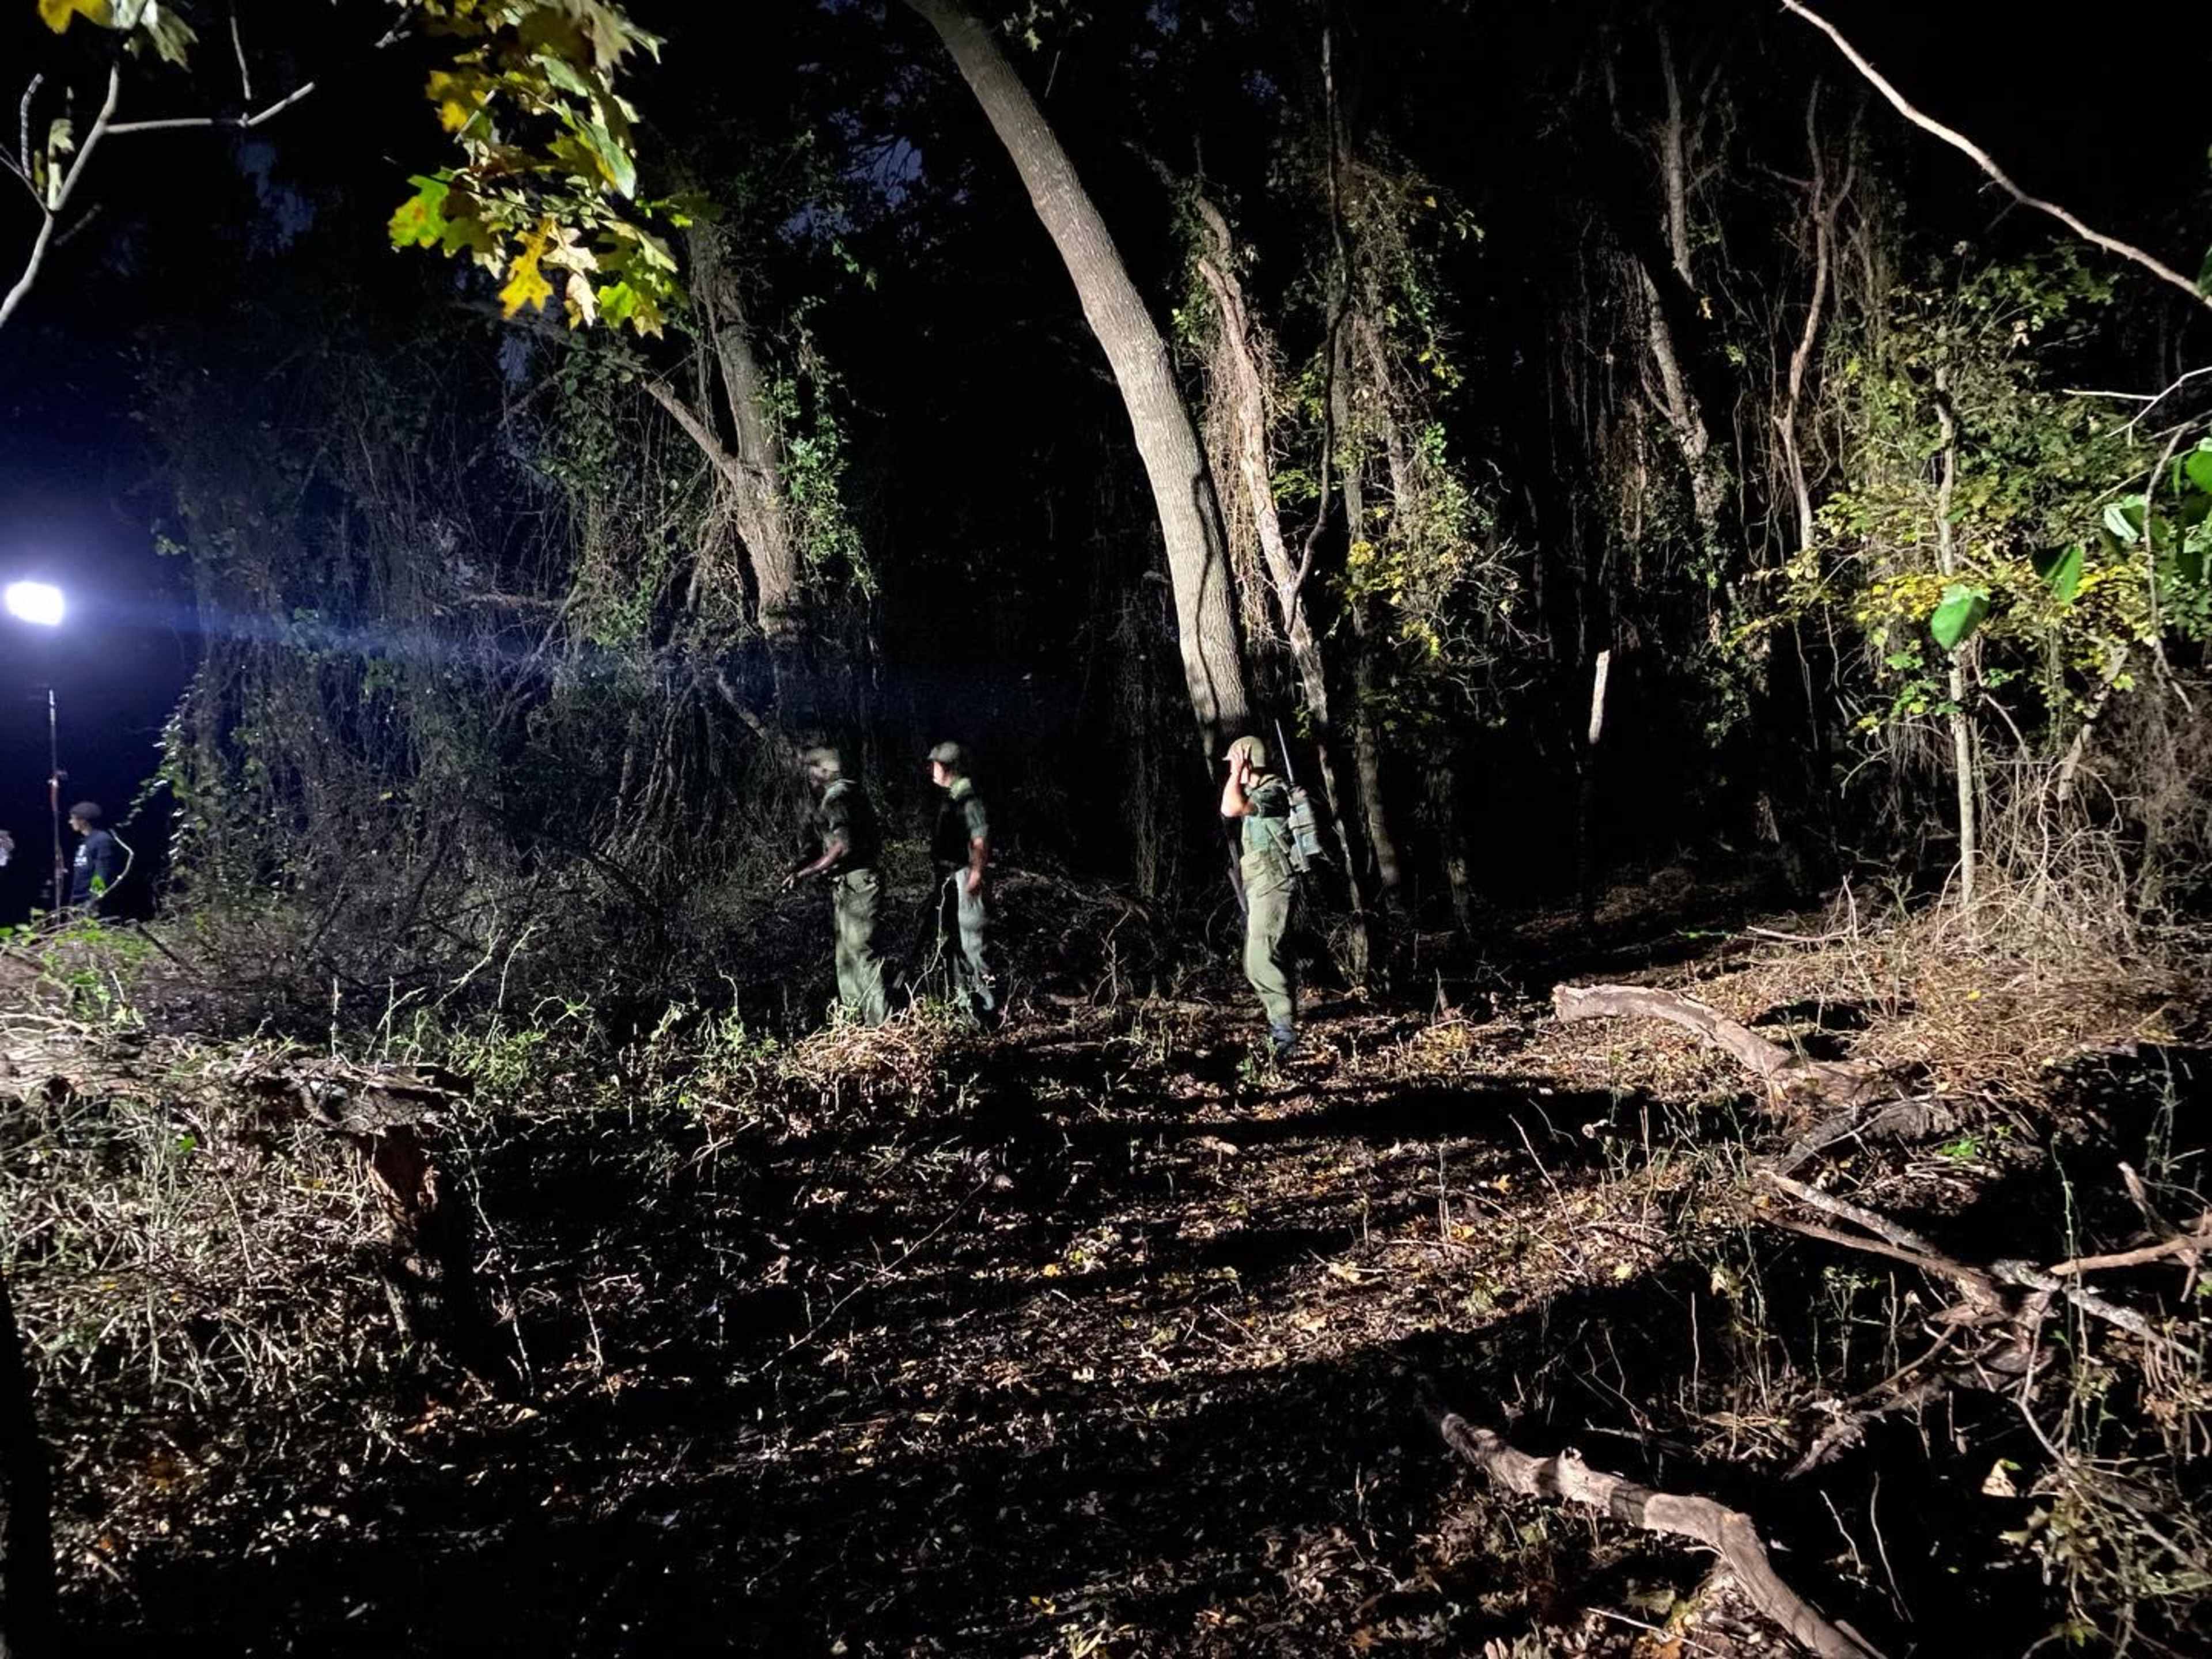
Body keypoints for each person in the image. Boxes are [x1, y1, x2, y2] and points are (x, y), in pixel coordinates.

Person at [781, 747, 889, 1027]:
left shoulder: (838, 798)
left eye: (813, 769)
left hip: (858, 883)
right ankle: (855, 1028)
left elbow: (843, 845)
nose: (809, 776)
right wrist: (804, 862)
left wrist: (809, 871)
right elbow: (828, 843)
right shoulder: (844, 795)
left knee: (862, 955)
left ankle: (882, 1027)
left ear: (825, 771)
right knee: (847, 959)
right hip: (849, 883)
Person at [1218, 735, 1300, 1060]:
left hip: (1274, 883)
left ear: (1249, 761)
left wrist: (1236, 771)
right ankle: (1281, 1030)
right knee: (1259, 960)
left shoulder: (1273, 792)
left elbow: (1230, 807)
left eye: (1235, 762)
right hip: (1261, 884)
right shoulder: (1260, 791)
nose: (1232, 769)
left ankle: (1285, 1037)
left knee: (1260, 959)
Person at [927, 740, 998, 1027]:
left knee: (973, 946)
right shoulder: (954, 797)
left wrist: (976, 876)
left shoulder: (969, 799)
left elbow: (981, 840)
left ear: (947, 767)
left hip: (966, 877)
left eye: (934, 764)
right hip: (953, 879)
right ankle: (967, 1012)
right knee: (956, 946)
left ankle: (988, 1013)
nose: (931, 769)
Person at [67, 801, 120, 915]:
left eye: (73, 819)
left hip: (90, 900)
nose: (70, 822)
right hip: (78, 897)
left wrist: (94, 900)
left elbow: (102, 871)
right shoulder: (84, 842)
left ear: (83, 820)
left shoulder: (102, 840)